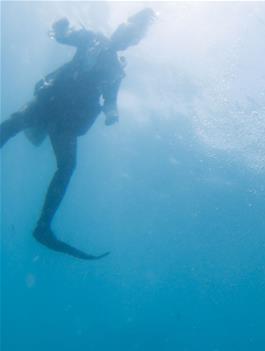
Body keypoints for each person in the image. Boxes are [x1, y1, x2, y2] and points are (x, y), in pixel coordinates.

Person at [0, 9, 156, 260]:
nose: (126, 38)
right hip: (49, 104)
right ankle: (43, 228)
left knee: (67, 165)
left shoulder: (116, 70)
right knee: (10, 126)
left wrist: (111, 113)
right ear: (120, 27)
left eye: (133, 37)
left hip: (67, 121)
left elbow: (111, 99)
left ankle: (43, 227)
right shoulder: (91, 37)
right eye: (127, 30)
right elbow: (63, 36)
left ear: (133, 43)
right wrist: (60, 27)